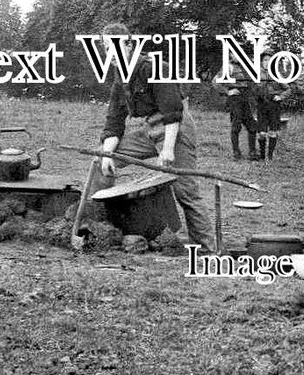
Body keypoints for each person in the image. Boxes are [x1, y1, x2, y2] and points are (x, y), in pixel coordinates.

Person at [99, 24, 217, 253]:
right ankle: (104, 227)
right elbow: (114, 119)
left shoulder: (154, 67)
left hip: (175, 129)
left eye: (114, 47)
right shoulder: (120, 75)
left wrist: (168, 150)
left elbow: (173, 112)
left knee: (186, 191)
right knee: (100, 162)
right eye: (105, 48)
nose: (110, 54)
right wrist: (107, 154)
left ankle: (208, 250)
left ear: (129, 45)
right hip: (149, 129)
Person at [217, 62, 260, 160]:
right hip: (235, 98)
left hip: (244, 98)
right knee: (236, 125)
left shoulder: (244, 66)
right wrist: (227, 92)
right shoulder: (228, 66)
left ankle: (252, 152)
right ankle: (236, 153)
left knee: (252, 125)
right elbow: (215, 81)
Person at [255, 60, 291, 162]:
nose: (267, 62)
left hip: (274, 105)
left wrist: (281, 96)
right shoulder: (257, 74)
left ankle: (270, 156)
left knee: (273, 132)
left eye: (269, 60)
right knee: (261, 133)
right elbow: (252, 89)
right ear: (261, 62)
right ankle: (262, 156)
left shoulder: (277, 75)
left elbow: (288, 89)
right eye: (265, 60)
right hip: (262, 105)